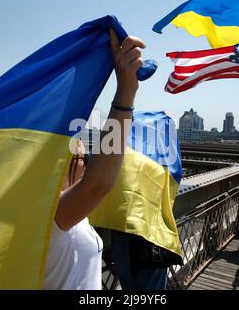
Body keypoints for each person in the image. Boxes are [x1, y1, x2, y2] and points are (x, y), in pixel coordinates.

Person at [42, 30, 146, 290]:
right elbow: (97, 184)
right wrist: (126, 92)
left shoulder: (62, 211)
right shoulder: (50, 215)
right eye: (82, 157)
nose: (87, 162)